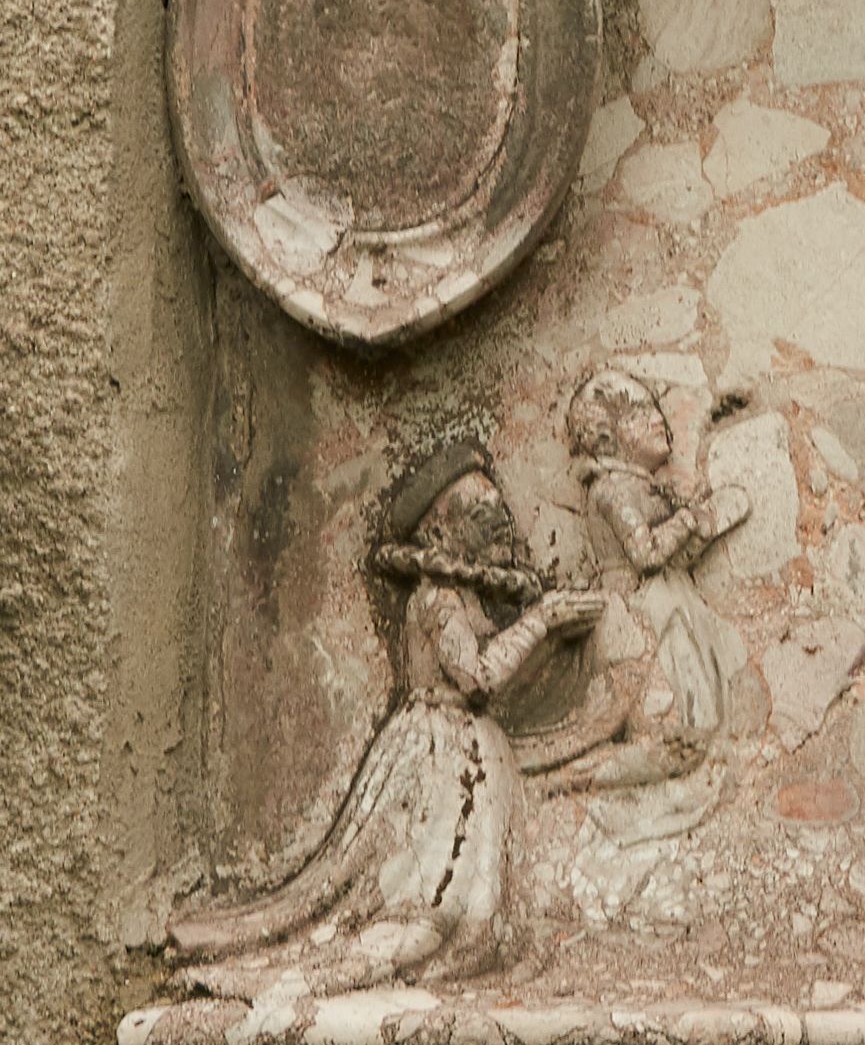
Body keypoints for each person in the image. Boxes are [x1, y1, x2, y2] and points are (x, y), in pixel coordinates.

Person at [168, 444, 603, 997]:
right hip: (439, 756)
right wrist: (542, 621)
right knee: (430, 904)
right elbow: (478, 678)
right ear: (440, 534)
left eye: (498, 509)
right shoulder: (437, 599)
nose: (500, 521)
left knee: (476, 901)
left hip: (466, 749)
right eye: (479, 513)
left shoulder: (463, 596)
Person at [554, 367, 750, 828]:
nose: (657, 417)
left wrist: (705, 523)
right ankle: (574, 784)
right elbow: (645, 554)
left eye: (654, 407)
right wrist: (688, 520)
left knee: (702, 718)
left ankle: (687, 772)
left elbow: (675, 553)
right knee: (674, 726)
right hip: (641, 609)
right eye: (640, 411)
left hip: (672, 600)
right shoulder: (610, 489)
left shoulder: (642, 486)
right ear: (606, 438)